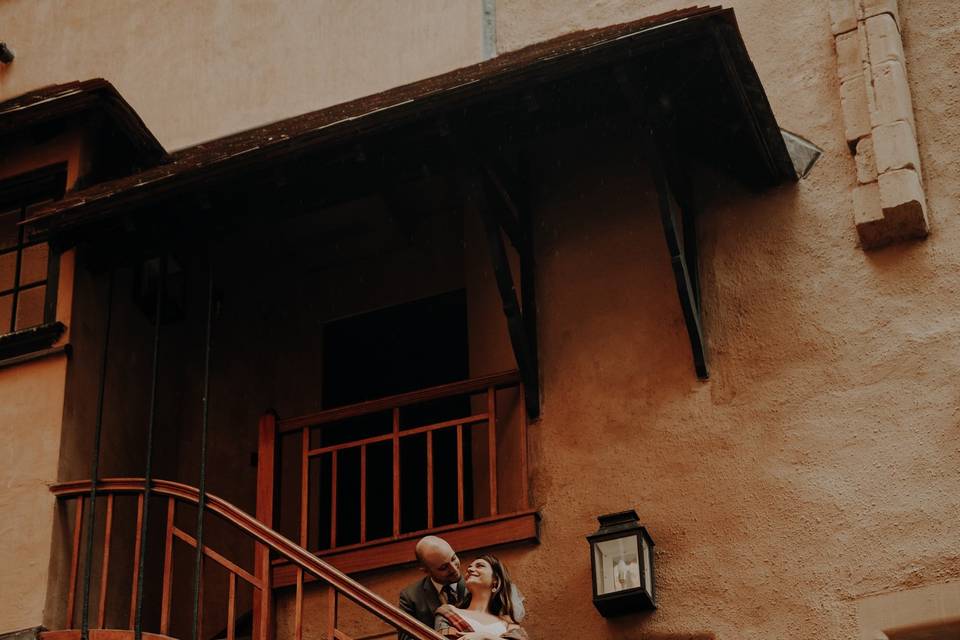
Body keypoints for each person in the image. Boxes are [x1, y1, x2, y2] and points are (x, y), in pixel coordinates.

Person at [434, 555, 529, 640]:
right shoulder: (449, 613)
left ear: (495, 579)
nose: (470, 570)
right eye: (469, 567)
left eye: (480, 566)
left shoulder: (508, 623)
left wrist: (486, 637)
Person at [398, 536, 467, 640]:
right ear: (426, 570)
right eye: (443, 568)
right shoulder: (410, 598)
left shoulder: (477, 583)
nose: (453, 569)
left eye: (453, 558)